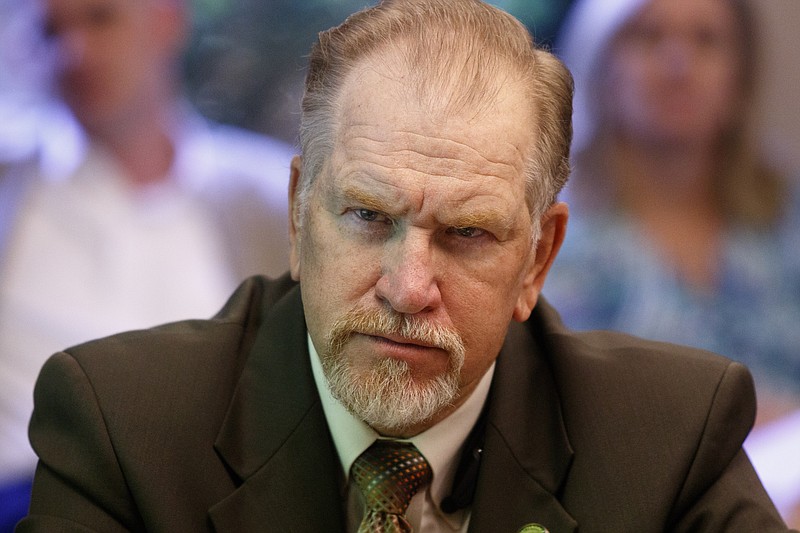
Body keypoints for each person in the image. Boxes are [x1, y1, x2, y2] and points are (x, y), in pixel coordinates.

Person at [17, 0, 795, 531]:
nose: (406, 286)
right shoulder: (120, 427)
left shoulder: (671, 440)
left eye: (465, 234)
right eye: (367, 217)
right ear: (297, 214)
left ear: (538, 258)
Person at [0, 0, 292, 526]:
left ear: (167, 19)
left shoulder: (268, 200)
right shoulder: (15, 188)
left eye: (100, 18)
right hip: (32, 494)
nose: (74, 52)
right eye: (50, 32)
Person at [544, 0, 800, 523]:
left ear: (741, 75)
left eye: (706, 40)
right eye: (648, 37)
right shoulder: (553, 238)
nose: (678, 62)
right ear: (601, 65)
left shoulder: (785, 223)